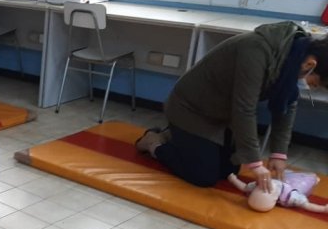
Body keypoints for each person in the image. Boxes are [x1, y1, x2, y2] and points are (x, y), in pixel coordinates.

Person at [135, 21, 328, 191]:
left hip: (220, 115)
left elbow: (287, 109)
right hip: (191, 110)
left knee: (229, 170)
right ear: (310, 64)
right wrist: (256, 163)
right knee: (204, 176)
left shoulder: (293, 57)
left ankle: (175, 136)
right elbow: (244, 109)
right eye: (314, 83)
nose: (311, 87)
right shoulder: (257, 49)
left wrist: (279, 154)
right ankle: (154, 143)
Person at [227, 170, 326, 213]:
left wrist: (233, 180)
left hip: (283, 179)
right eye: (269, 190)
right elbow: (306, 205)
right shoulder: (290, 197)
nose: (267, 186)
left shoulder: (257, 186)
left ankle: (290, 173)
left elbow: (244, 187)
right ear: (276, 199)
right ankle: (313, 179)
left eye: (260, 188)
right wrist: (323, 209)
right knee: (306, 180)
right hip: (294, 186)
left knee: (284, 174)